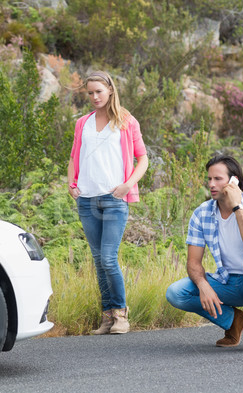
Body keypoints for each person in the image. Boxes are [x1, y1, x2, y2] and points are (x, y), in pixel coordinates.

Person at [166, 154, 243, 351]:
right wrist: (203, 285)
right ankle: (234, 322)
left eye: (218, 179)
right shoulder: (201, 213)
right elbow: (193, 262)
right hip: (227, 281)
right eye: (209, 179)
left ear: (233, 181)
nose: (211, 184)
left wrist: (237, 206)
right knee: (176, 293)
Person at [67, 71, 149, 335]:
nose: (94, 97)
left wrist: (128, 185)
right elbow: (73, 157)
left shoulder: (126, 121)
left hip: (114, 199)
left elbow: (143, 158)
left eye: (99, 92)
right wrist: (72, 184)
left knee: (108, 258)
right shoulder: (83, 123)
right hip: (87, 200)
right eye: (90, 93)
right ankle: (106, 318)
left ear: (110, 90)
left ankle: (121, 315)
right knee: (97, 259)